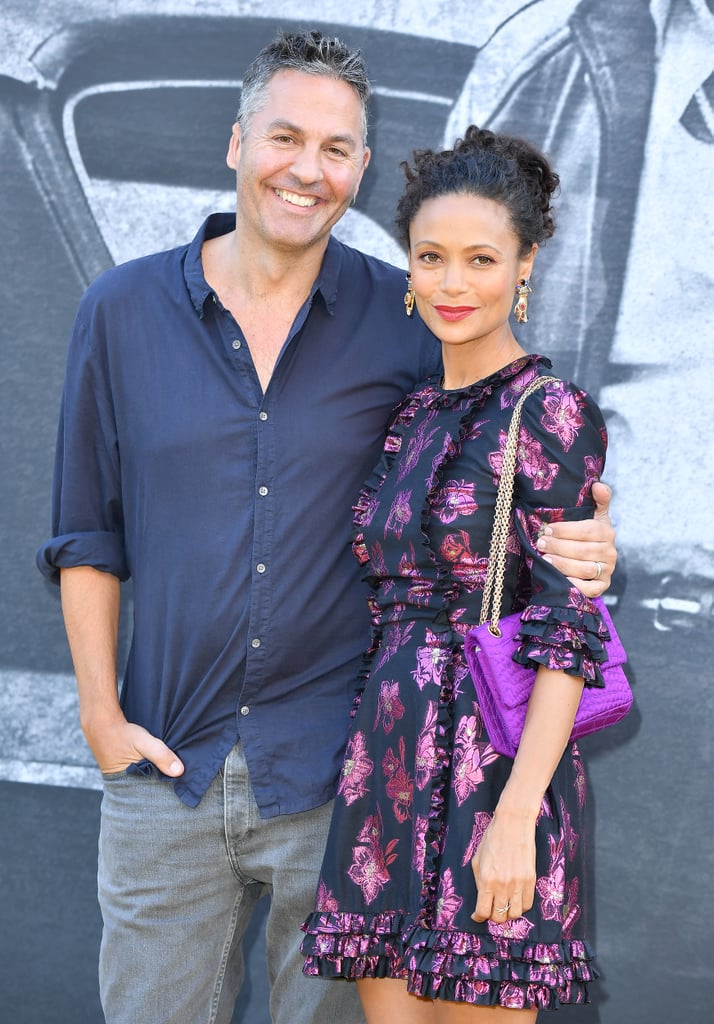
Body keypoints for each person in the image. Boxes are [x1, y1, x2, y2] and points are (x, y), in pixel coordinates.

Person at [36, 31, 617, 1024]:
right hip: (166, 769)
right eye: (285, 137)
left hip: (341, 780)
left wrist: (588, 538)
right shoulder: (121, 310)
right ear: (236, 142)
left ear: (357, 168)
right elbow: (88, 530)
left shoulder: (407, 332)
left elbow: (504, 472)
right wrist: (101, 714)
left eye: (337, 148)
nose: (307, 169)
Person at [301, 126, 616, 1019]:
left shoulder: (548, 410)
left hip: (496, 770)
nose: (451, 283)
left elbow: (567, 630)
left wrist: (519, 814)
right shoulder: (411, 415)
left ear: (526, 264)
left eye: (481, 259)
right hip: (385, 765)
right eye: (431, 257)